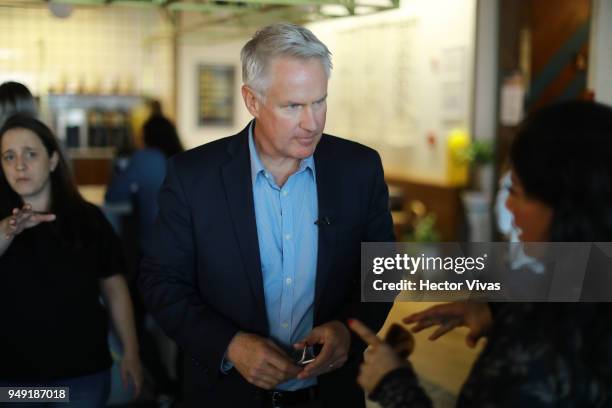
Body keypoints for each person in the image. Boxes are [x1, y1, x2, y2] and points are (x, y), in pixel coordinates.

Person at [139, 23, 394, 407]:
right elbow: (160, 281)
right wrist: (229, 345)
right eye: (293, 106)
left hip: (329, 396)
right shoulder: (193, 177)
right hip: (223, 396)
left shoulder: (360, 168)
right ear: (252, 100)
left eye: (320, 101)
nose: (313, 122)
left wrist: (349, 330)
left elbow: (383, 268)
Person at [349, 101, 612, 407]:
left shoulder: (541, 349)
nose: (509, 208)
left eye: (515, 191)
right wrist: (499, 314)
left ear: (564, 206)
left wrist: (392, 384)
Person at [0, 114, 143, 407]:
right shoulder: (3, 225)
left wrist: (131, 351)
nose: (19, 165)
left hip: (81, 377)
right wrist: (6, 231)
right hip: (12, 379)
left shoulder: (88, 219)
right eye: (8, 156)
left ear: (52, 160)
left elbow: (114, 288)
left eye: (30, 154)